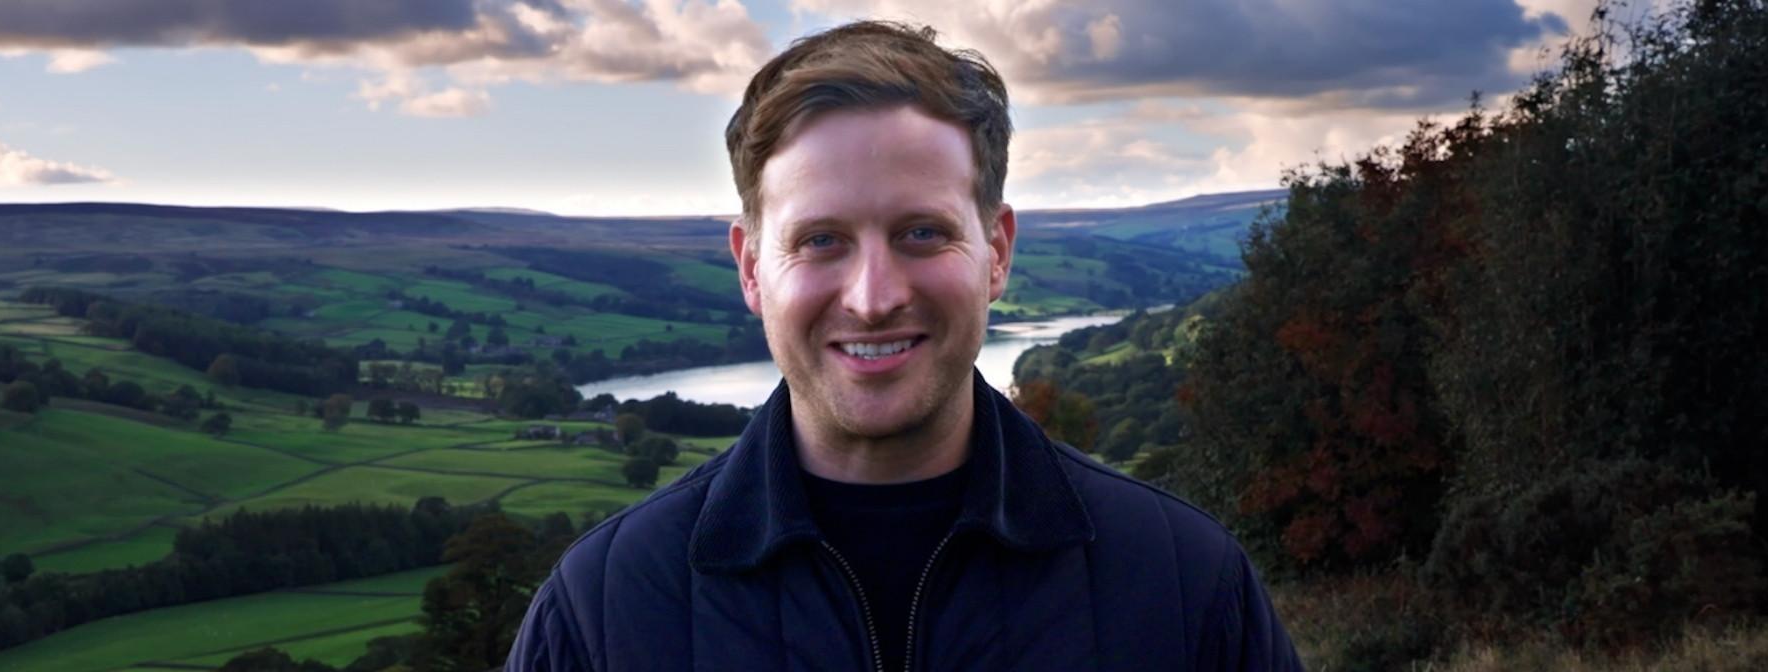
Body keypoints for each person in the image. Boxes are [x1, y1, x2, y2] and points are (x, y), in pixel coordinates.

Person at [506, 21, 1302, 671]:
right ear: (752, 268)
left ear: (996, 251)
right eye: (821, 240)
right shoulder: (603, 610)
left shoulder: (1182, 581)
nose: (874, 295)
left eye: (922, 232)